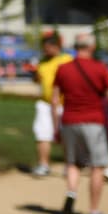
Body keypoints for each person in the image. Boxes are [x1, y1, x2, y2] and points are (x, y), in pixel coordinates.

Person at [51, 34, 108, 214]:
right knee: (97, 166)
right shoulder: (100, 68)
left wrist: (55, 128)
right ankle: (93, 211)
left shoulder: (62, 69)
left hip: (69, 121)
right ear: (92, 47)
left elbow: (54, 101)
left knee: (73, 163)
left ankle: (71, 192)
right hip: (94, 121)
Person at [30, 32, 72, 177]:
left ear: (56, 46)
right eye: (44, 47)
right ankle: (43, 164)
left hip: (64, 103)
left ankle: (69, 165)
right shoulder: (42, 63)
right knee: (42, 134)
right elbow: (37, 81)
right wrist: (34, 73)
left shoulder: (66, 60)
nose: (45, 50)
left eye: (47, 47)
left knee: (66, 135)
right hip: (46, 103)